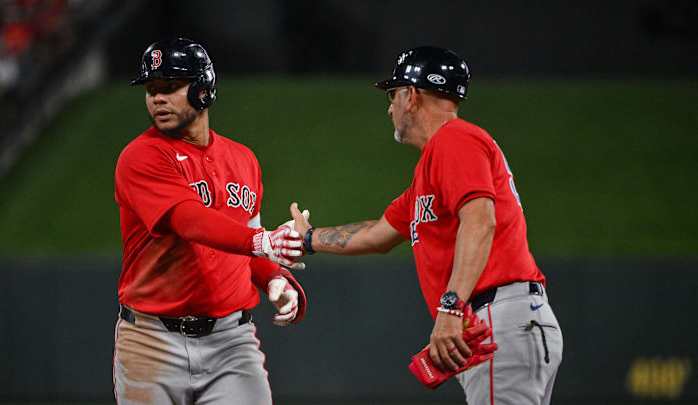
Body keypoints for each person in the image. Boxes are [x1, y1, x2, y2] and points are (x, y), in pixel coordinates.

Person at [288, 47, 563, 404]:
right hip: (504, 322)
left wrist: (451, 308)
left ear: (411, 95)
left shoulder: (455, 139)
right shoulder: (433, 167)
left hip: (498, 318)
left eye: (393, 94)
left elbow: (480, 222)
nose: (390, 108)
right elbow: (378, 234)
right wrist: (307, 238)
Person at [113, 37, 306, 405]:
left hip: (231, 341)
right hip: (152, 342)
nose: (157, 98)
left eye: (171, 87)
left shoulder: (243, 158)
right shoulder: (141, 156)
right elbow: (189, 221)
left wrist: (276, 278)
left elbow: (247, 242)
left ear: (203, 89)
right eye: (152, 89)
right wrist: (263, 242)